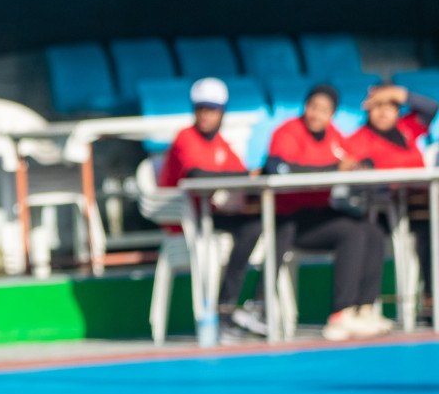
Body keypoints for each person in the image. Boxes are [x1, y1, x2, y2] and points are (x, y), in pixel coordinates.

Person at [156, 77, 283, 339]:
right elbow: (198, 176)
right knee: (252, 228)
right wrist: (245, 178)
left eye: (212, 109)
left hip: (210, 214)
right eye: (201, 108)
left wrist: (255, 176)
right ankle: (221, 314)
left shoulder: (220, 143)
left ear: (221, 112)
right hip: (184, 220)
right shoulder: (185, 137)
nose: (205, 115)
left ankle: (244, 307)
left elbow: (241, 176)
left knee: (266, 224)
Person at [265, 83, 389, 341]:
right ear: (305, 106)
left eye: (324, 110)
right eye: (313, 107)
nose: (316, 114)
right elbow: (279, 168)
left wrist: (363, 165)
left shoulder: (333, 135)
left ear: (332, 114)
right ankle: (339, 314)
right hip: (291, 221)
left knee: (373, 232)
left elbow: (353, 159)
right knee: (351, 233)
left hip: (321, 212)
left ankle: (363, 309)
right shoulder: (287, 132)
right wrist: (333, 169)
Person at [343, 83, 437, 316]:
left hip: (421, 208)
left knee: (431, 230)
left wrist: (400, 93)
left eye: (390, 106)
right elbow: (353, 176)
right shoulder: (359, 139)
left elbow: (432, 108)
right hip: (384, 211)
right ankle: (365, 308)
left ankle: (431, 298)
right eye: (377, 106)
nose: (384, 112)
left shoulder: (408, 128)